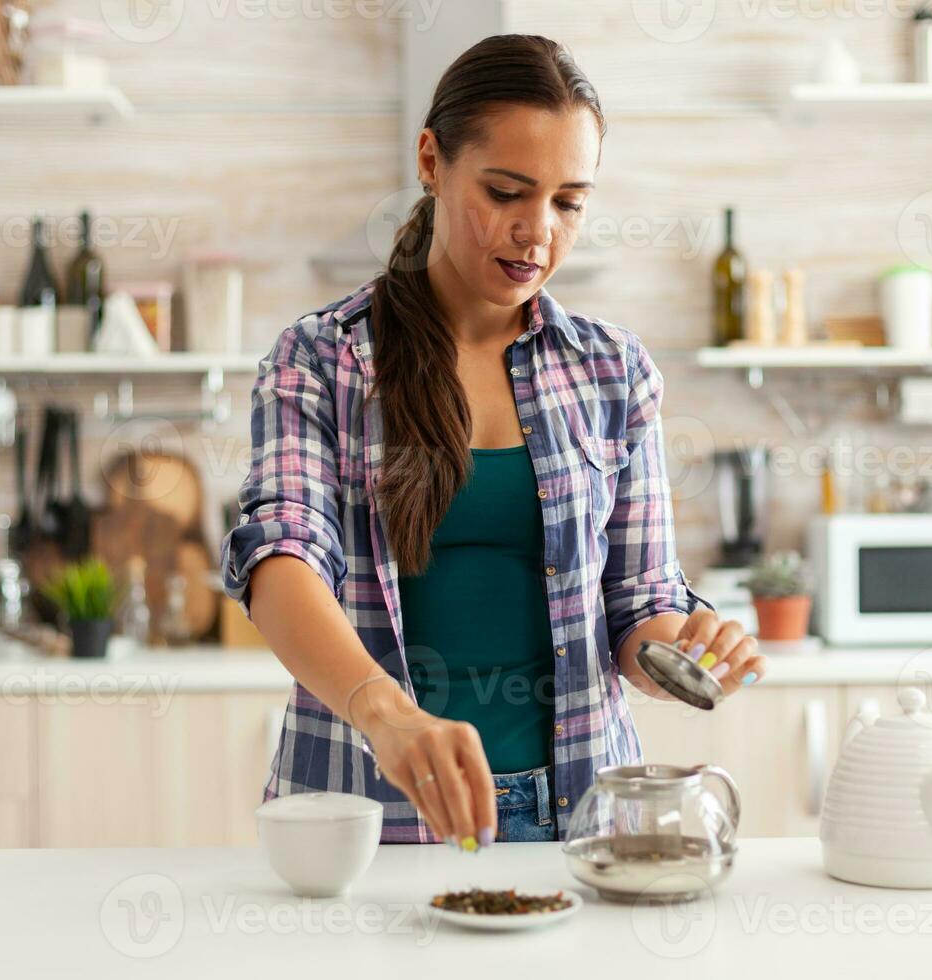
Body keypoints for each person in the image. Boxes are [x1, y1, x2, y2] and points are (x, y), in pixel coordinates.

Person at [222, 34, 765, 849]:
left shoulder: (613, 372)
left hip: (581, 817)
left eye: (568, 202)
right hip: (368, 815)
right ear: (432, 161)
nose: (535, 232)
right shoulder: (322, 360)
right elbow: (280, 561)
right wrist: (391, 718)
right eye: (506, 191)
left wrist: (688, 648)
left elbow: (638, 605)